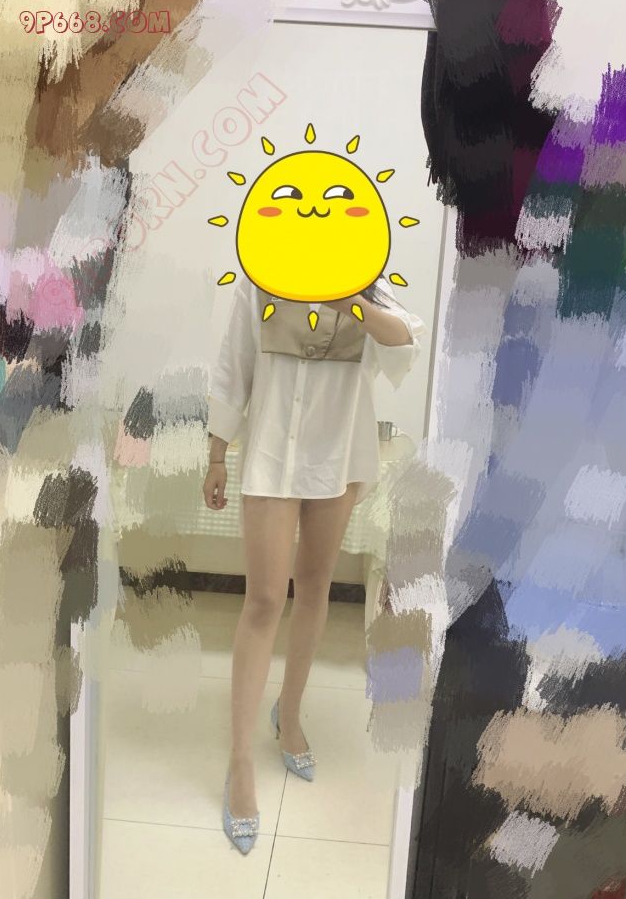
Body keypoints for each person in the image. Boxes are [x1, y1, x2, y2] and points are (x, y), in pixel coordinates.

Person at [203, 276, 425, 854]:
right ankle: (240, 761)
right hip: (271, 451)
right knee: (264, 599)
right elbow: (233, 365)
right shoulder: (261, 274)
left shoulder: (365, 274)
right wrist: (217, 454)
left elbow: (404, 341)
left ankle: (291, 712)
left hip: (338, 454)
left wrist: (350, 300)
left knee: (314, 585)